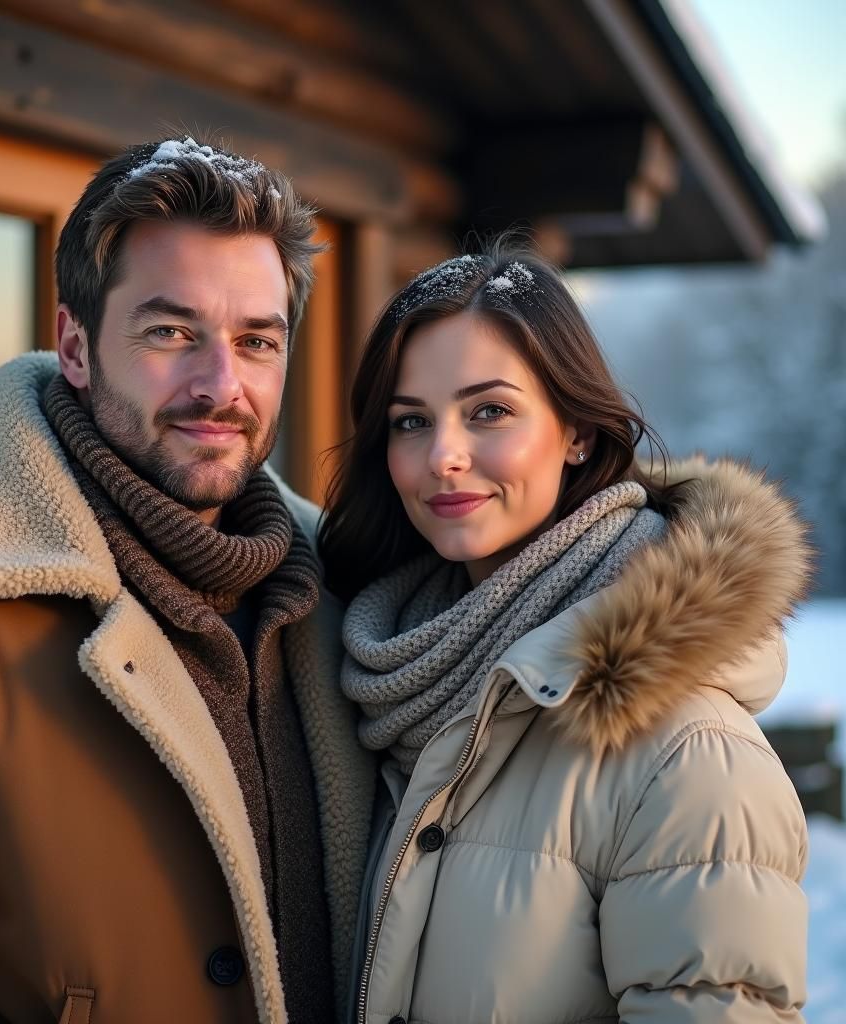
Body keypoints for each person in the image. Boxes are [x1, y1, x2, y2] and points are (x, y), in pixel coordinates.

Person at [0, 137, 375, 1024]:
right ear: (75, 346)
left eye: (256, 340)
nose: (220, 384)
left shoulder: (354, 601)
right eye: (170, 332)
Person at [320, 240, 812, 1023]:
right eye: (411, 422)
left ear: (577, 431)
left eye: (489, 411)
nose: (443, 455)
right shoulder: (380, 683)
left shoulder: (687, 756)